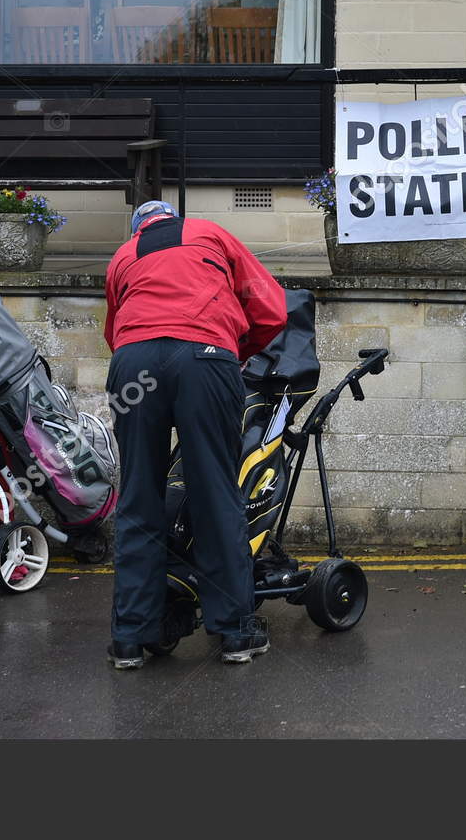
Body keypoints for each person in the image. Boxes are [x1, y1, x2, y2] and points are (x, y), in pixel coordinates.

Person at [103, 199, 288, 669]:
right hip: (203, 357)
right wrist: (231, 351)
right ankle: (236, 633)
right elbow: (271, 308)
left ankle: (129, 637)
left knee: (139, 495)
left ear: (138, 228)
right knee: (214, 494)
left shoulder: (123, 257)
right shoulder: (209, 232)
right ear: (172, 218)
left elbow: (116, 333)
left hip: (134, 365)